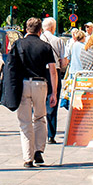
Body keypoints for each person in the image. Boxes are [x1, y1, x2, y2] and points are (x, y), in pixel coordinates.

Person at [10, 18, 58, 168]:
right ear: (40, 31)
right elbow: (53, 71)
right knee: (40, 117)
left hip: (23, 84)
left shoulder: (18, 44)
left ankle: (27, 158)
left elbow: (11, 67)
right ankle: (39, 150)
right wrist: (54, 93)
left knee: (25, 122)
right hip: (40, 84)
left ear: (26, 29)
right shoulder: (45, 46)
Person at [40, 17, 67, 145]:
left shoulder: (38, 40)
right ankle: (51, 134)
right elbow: (64, 62)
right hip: (53, 71)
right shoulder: (58, 41)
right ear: (53, 28)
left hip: (39, 73)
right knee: (52, 100)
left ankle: (39, 130)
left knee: (39, 100)